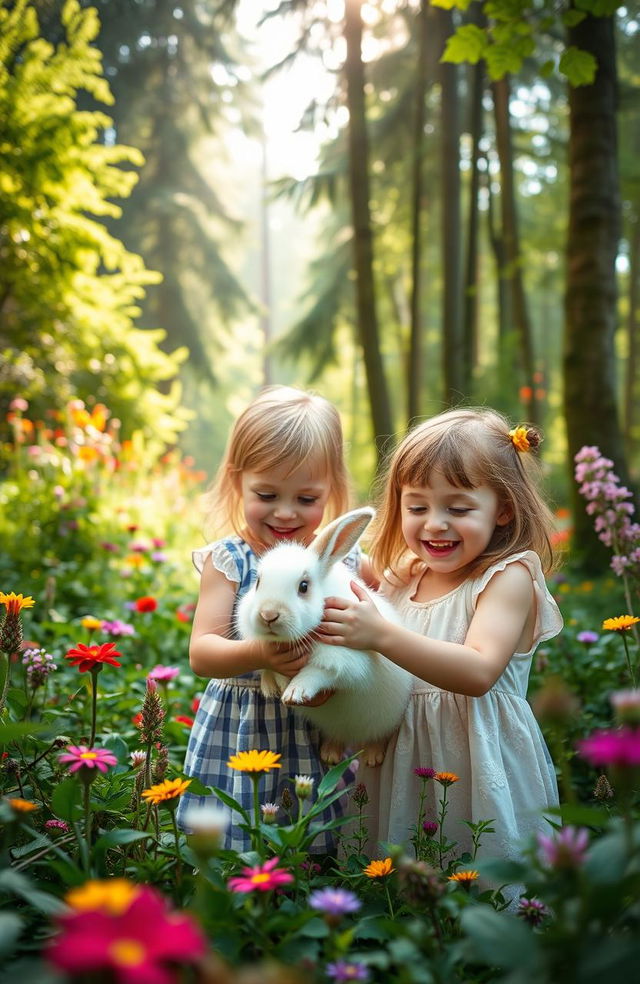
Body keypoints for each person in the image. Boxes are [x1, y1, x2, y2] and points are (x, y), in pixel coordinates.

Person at [319, 407, 563, 871]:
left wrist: (382, 635)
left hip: (476, 768)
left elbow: (478, 671)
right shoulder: (401, 578)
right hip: (399, 766)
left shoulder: (505, 578)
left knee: (479, 873)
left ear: (504, 509)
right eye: (417, 507)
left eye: (458, 508)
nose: (434, 523)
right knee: (397, 879)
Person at [176, 385, 361, 853]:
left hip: (322, 729)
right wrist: (263, 654)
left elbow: (382, 606)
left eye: (306, 498)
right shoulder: (230, 560)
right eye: (267, 494)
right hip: (245, 727)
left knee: (322, 841)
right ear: (237, 481)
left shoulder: (339, 559)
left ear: (332, 489)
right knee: (241, 841)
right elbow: (202, 652)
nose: (285, 512)